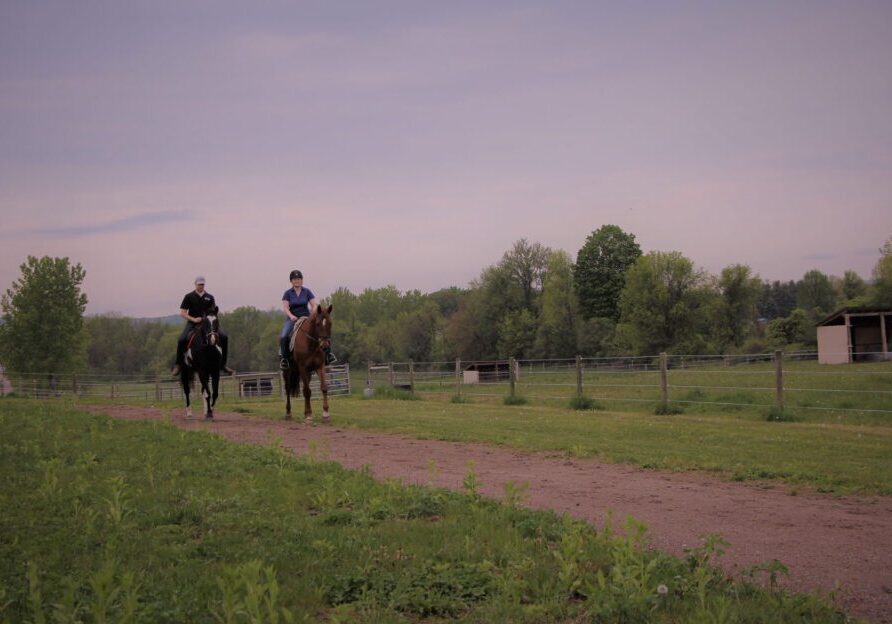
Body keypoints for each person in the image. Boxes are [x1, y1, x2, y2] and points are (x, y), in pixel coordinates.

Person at [171, 276, 234, 376]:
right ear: (195, 284)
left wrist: (207, 320)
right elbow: (183, 313)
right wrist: (194, 319)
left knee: (224, 337)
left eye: (202, 284)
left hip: (208, 323)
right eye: (199, 284)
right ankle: (178, 364)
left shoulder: (210, 297)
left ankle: (223, 365)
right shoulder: (188, 296)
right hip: (193, 322)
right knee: (182, 339)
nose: (201, 286)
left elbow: (213, 312)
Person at [279, 269, 337, 369]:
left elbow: (314, 305)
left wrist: (312, 314)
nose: (297, 281)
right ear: (291, 281)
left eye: (299, 279)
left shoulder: (307, 291)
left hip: (306, 317)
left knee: (323, 331)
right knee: (284, 336)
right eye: (294, 279)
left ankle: (329, 354)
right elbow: (285, 307)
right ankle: (285, 359)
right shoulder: (287, 293)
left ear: (302, 280)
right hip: (292, 318)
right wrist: (291, 316)